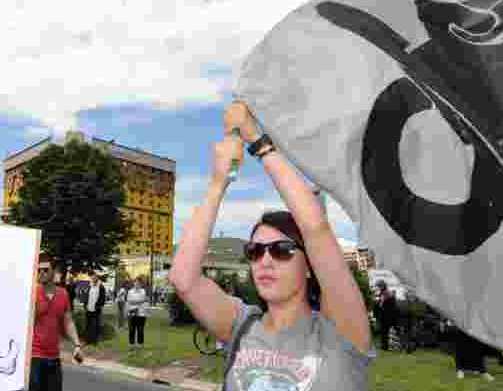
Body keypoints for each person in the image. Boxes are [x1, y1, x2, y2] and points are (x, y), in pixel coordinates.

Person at [169, 101, 373, 390]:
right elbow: (183, 279)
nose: (265, 260)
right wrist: (217, 183)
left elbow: (315, 227)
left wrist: (257, 142)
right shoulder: (242, 326)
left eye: (281, 250)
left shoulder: (338, 335)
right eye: (255, 251)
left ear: (309, 267)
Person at [30, 254, 83, 391]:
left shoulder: (63, 294)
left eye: (46, 270)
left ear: (53, 271)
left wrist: (77, 345)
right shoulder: (31, 293)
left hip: (54, 357)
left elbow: (68, 321)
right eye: (38, 270)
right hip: (34, 357)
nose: (41, 273)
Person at [125, 277, 150, 348]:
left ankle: (140, 344)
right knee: (131, 329)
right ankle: (131, 344)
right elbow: (129, 301)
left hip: (141, 313)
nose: (137, 284)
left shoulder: (143, 291)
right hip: (132, 312)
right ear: (134, 283)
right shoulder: (130, 291)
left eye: (139, 283)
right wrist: (138, 301)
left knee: (140, 329)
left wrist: (135, 301)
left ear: (141, 284)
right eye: (135, 283)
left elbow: (143, 300)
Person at [374, 280, 399, 351]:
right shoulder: (382, 294)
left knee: (385, 332)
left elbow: (384, 306)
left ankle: (386, 346)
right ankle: (384, 346)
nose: (378, 288)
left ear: (383, 286)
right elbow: (379, 305)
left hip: (387, 317)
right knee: (384, 332)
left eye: (379, 286)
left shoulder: (387, 294)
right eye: (378, 286)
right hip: (384, 316)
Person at [84, 275, 107, 346]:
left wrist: (98, 306)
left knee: (95, 325)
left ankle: (94, 341)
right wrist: (85, 305)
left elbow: (103, 298)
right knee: (88, 325)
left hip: (96, 309)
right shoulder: (89, 286)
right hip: (88, 308)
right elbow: (86, 296)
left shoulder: (100, 287)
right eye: (92, 278)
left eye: (94, 279)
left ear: (97, 279)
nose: (93, 280)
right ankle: (88, 340)